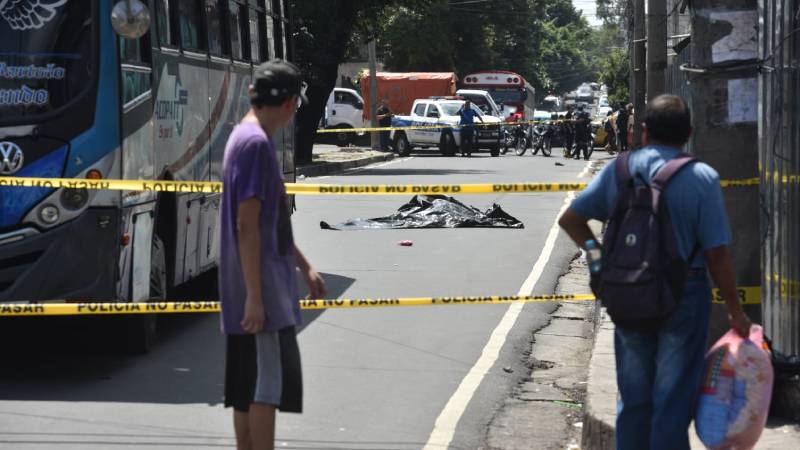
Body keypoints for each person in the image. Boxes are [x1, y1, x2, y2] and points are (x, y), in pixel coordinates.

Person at [558, 94, 752, 450]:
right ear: (689, 133)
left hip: (628, 294)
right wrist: (734, 310)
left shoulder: (619, 169)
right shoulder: (701, 177)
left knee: (634, 401)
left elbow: (571, 219)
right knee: (672, 402)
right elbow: (717, 254)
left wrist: (596, 258)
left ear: (644, 132)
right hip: (684, 297)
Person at [219, 59, 327, 450]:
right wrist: (255, 296)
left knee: (246, 385)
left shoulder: (242, 137)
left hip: (257, 285)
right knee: (265, 388)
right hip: (261, 290)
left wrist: (305, 265)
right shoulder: (256, 146)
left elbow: (269, 221)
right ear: (289, 104)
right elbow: (247, 225)